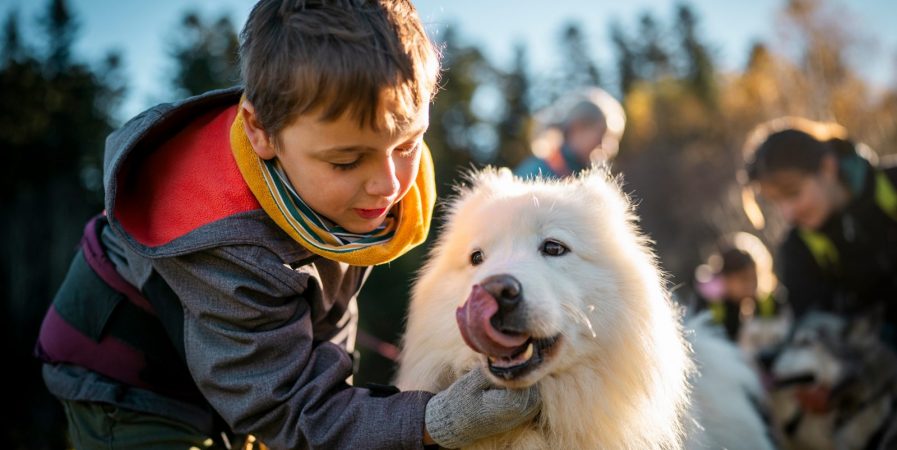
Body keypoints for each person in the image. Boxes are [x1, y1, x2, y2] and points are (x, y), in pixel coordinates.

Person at [34, 1, 540, 449]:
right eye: (346, 161)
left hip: (240, 362)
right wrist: (434, 420)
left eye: (407, 146)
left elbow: (326, 326)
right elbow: (287, 407)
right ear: (261, 131)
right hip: (131, 380)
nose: (388, 185)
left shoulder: (347, 174)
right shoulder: (227, 245)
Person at [742, 116, 897, 350]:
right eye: (776, 202)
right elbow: (816, 335)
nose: (788, 213)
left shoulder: (892, 185)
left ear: (828, 167)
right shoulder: (797, 251)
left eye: (793, 193)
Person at [515, 86, 626, 178]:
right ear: (577, 127)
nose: (606, 146)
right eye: (602, 135)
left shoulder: (580, 174)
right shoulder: (537, 172)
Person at [689, 233, 780, 343]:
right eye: (744, 279)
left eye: (755, 277)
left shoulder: (768, 302)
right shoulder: (709, 305)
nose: (751, 285)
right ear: (726, 279)